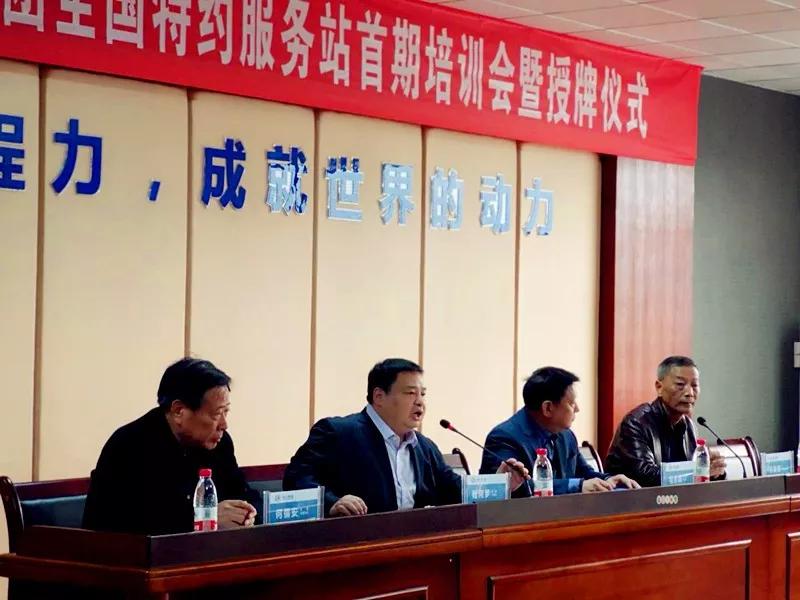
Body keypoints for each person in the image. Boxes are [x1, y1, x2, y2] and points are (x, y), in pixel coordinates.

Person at [283, 358, 529, 516]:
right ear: (379, 397)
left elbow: (454, 491)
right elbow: (296, 479)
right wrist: (332, 502)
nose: (420, 402)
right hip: (355, 551)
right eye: (411, 393)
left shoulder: (424, 447)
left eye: (423, 394)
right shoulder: (338, 433)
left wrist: (500, 484)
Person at [82, 357, 258, 534]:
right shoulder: (129, 446)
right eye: (217, 414)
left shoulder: (219, 443)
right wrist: (204, 518)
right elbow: (126, 523)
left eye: (226, 411)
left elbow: (242, 492)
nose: (224, 425)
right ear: (178, 411)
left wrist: (247, 513)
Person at [480, 366, 639, 494]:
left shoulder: (566, 435)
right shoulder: (504, 438)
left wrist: (609, 479)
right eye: (571, 403)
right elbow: (516, 488)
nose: (577, 409)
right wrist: (577, 486)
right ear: (548, 408)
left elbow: (583, 472)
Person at [605, 355, 726, 487]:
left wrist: (714, 471)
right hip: (629, 497)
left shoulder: (688, 425)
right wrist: (697, 472)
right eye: (680, 384)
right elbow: (645, 476)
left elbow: (693, 475)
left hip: (673, 497)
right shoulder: (637, 423)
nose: (690, 393)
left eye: (695, 385)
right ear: (659, 387)